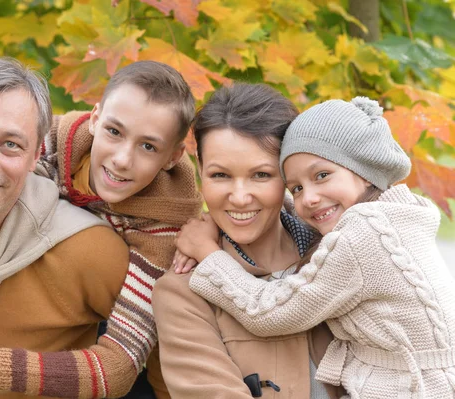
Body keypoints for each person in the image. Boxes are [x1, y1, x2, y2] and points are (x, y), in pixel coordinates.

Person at [0, 60, 202, 398]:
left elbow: (118, 369)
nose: (123, 158)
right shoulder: (55, 140)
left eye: (148, 146)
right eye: (114, 131)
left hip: (110, 297)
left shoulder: (163, 234)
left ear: (173, 156)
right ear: (95, 119)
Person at [178, 97, 455, 397]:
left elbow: (269, 313)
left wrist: (207, 252)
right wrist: (232, 217)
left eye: (321, 176)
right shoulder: (393, 216)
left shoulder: (359, 239)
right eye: (295, 188)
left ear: (364, 170)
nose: (308, 198)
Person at [152, 84, 345, 398]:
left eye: (261, 175)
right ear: (200, 171)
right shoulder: (182, 294)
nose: (239, 198)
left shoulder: (340, 254)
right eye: (220, 175)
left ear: (287, 173)